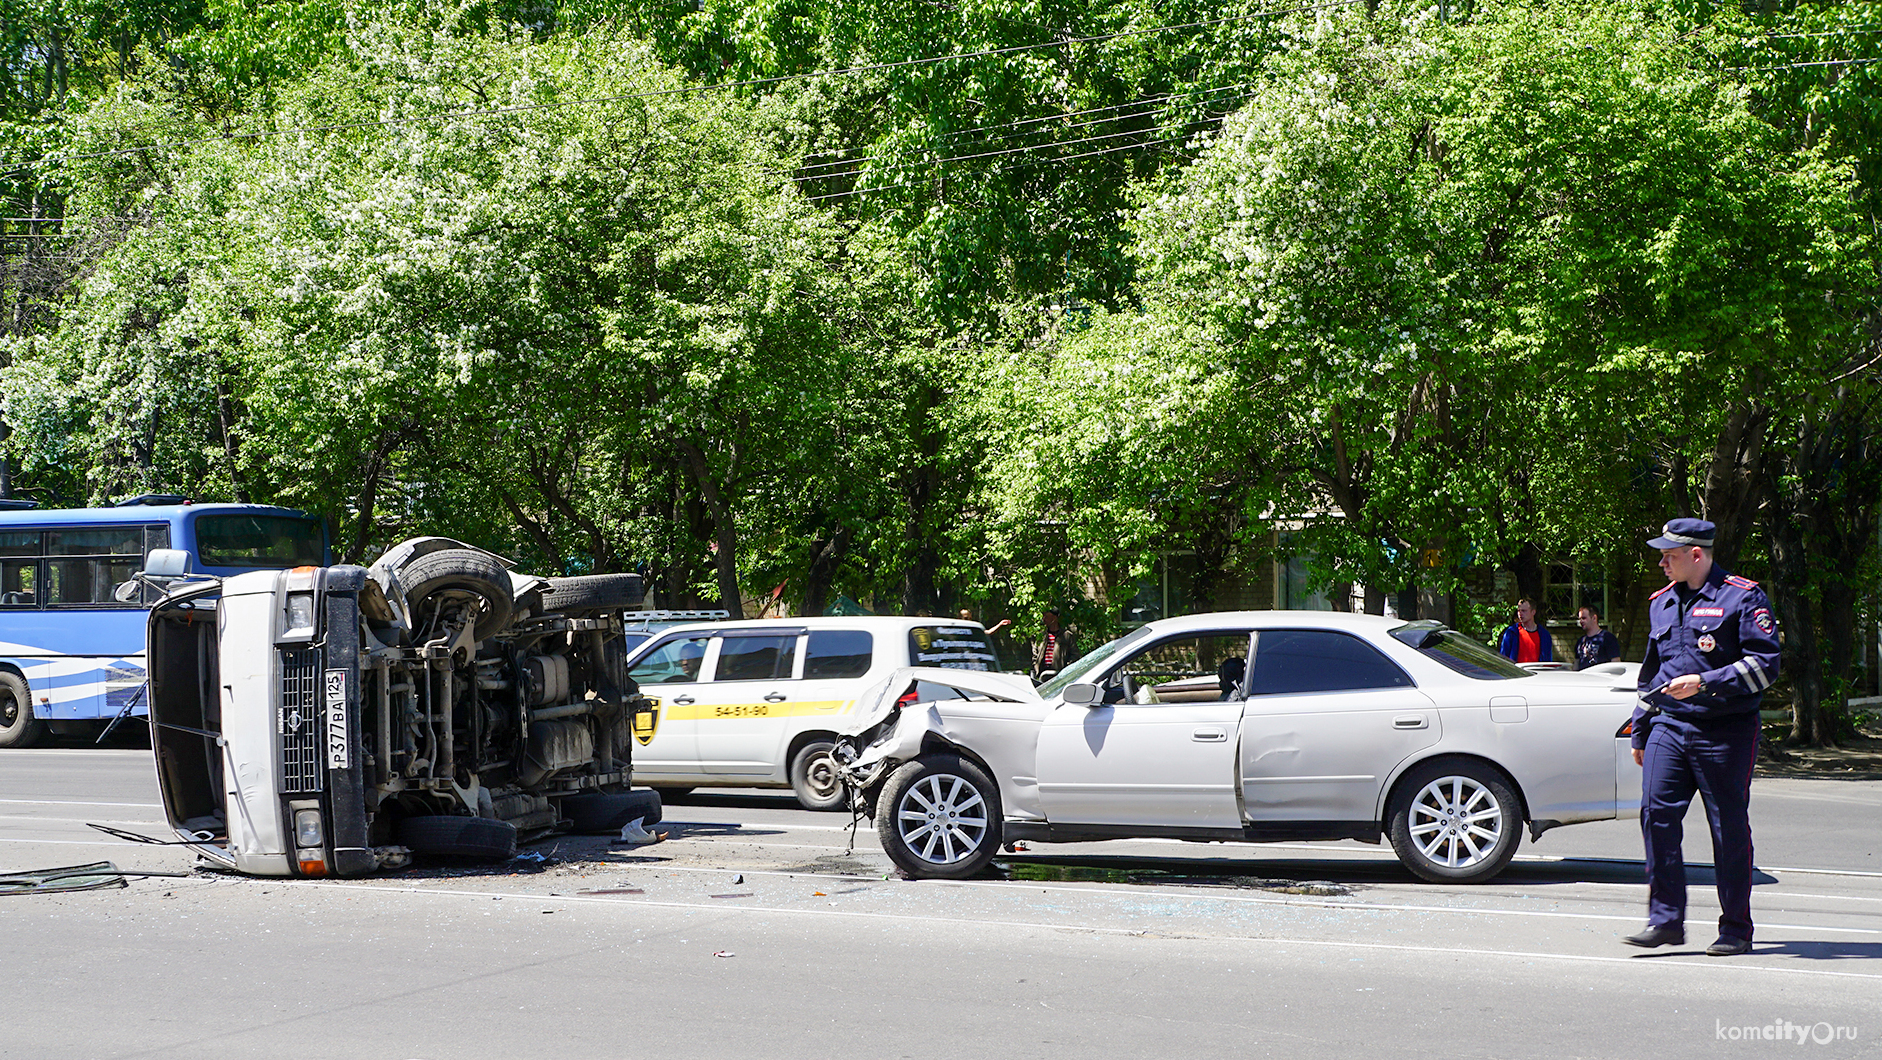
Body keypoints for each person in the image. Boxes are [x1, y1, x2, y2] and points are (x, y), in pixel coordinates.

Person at [1623, 518, 1780, 958]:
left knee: (1727, 829)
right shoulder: (1660, 602)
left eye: (1670, 555)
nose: (1662, 562)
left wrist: (1706, 682)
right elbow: (1652, 674)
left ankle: (1735, 928)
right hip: (1669, 727)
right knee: (1655, 814)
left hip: (1725, 730)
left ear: (1697, 555)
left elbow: (1766, 666)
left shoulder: (1742, 597)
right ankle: (1666, 920)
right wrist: (1640, 725)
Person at [1496, 598, 1554, 664]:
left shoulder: (1544, 635)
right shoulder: (1511, 633)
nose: (1520, 614)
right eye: (1518, 611)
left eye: (1524, 611)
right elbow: (1504, 657)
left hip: (1538, 672)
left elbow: (1547, 661)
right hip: (1517, 673)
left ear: (1533, 612)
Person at [1030, 607, 1078, 681]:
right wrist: (1036, 667)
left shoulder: (1066, 636)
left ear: (1054, 618)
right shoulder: (1042, 636)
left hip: (1059, 675)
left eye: (1046, 616)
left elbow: (1075, 655)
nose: (1044, 619)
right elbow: (1035, 654)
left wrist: (1066, 670)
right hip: (1042, 675)